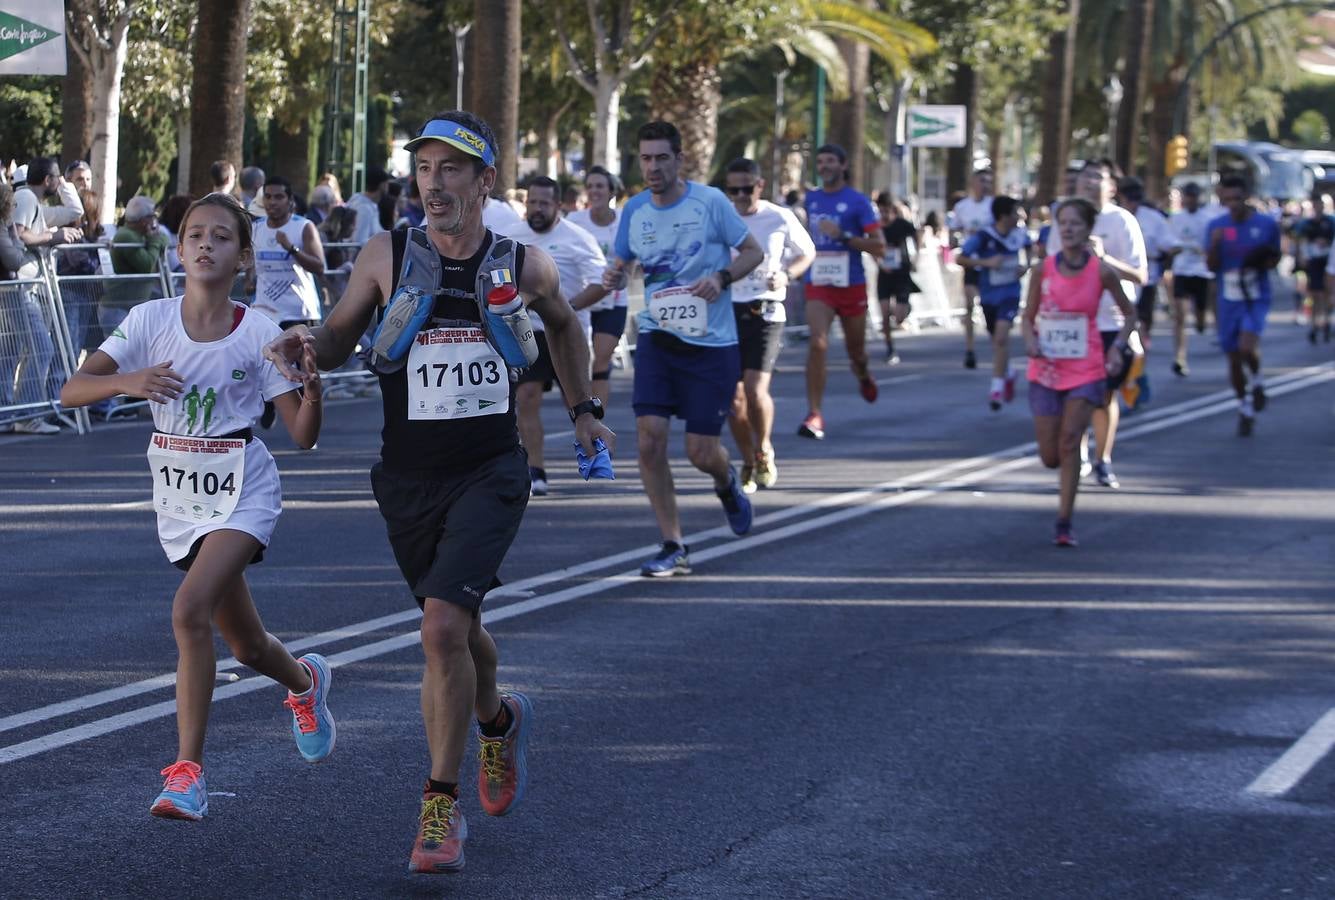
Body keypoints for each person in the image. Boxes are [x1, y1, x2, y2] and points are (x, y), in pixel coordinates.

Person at [263, 110, 613, 874]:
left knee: (441, 631)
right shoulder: (389, 252)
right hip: (408, 476)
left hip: (491, 469)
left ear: (485, 181)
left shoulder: (522, 264)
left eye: (452, 168)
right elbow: (340, 336)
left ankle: (439, 809)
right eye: (425, 168)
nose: (435, 182)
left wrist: (582, 411)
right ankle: (497, 720)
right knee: (451, 624)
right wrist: (301, 342)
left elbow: (565, 329)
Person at [58, 192, 334, 820]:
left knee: (188, 612)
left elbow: (303, 434)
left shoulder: (259, 331)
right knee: (247, 646)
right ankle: (305, 683)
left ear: (241, 257)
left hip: (244, 488)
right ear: (178, 249)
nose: (205, 243)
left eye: (221, 236)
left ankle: (187, 774)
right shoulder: (150, 319)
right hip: (181, 496)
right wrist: (127, 381)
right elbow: (74, 388)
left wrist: (311, 386)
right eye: (193, 234)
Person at [602, 120, 764, 575]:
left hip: (711, 344)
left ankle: (726, 480)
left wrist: (721, 277)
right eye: (645, 158)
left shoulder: (710, 202)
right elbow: (624, 261)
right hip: (657, 337)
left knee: (700, 452)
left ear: (679, 159)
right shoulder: (634, 210)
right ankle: (673, 543)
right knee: (650, 442)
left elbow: (753, 251)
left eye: (661, 158)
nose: (652, 167)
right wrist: (614, 274)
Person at [1022, 198, 1135, 547]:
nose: (1068, 229)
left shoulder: (1101, 271)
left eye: (1075, 223)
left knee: (1071, 440)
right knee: (1050, 455)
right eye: (1063, 223)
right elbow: (1027, 317)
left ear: (1088, 229)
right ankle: (1064, 507)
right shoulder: (1043, 269)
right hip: (1046, 368)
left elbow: (1129, 314)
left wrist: (1117, 346)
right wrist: (1030, 341)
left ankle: (1064, 521)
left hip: (1086, 366)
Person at [504, 174, 609, 495]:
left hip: (566, 331)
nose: (537, 209)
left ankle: (597, 457)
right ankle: (536, 470)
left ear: (558, 205)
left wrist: (564, 309)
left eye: (544, 203)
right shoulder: (510, 237)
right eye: (532, 202)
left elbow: (601, 282)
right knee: (527, 397)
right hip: (529, 332)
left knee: (577, 401)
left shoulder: (578, 237)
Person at [1045, 159, 1146, 489]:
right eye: (1086, 176)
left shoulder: (1123, 221)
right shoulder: (1066, 217)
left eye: (1098, 178)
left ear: (1111, 186)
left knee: (1103, 396)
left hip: (1110, 320)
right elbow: (1049, 269)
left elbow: (1140, 275)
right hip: (1071, 322)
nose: (1090, 183)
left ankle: (1103, 458)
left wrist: (1105, 260)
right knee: (1071, 393)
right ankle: (1080, 451)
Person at [724, 157, 815, 492]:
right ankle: (748, 459)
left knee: (754, 389)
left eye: (747, 188)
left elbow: (807, 252)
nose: (741, 196)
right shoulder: (722, 217)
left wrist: (787, 274)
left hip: (766, 311)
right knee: (733, 400)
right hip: (727, 312)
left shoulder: (779, 216)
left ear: (759, 185)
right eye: (734, 190)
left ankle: (763, 449)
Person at [798, 143, 886, 440]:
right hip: (819, 281)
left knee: (856, 350)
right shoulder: (810, 200)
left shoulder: (858, 202)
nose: (824, 166)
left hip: (851, 283)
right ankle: (814, 414)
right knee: (818, 343)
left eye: (830, 161)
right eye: (820, 161)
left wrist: (845, 236)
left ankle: (862, 373)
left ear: (843, 165)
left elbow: (879, 246)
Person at [11, 159, 83, 434]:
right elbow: (19, 235)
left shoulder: (33, 202)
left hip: (26, 286)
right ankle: (26, 415)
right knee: (41, 347)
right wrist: (54, 237)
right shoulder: (27, 197)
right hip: (23, 287)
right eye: (57, 178)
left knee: (15, 350)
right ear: (46, 179)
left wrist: (63, 183)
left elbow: (74, 210)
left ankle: (11, 410)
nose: (60, 182)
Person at [1206, 173, 1281, 436]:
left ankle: (1258, 381)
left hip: (1255, 294)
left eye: (1237, 198)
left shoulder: (1266, 224)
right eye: (1227, 199)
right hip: (1228, 297)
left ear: (1246, 197)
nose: (1232, 204)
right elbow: (1211, 266)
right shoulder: (1216, 225)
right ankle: (1244, 406)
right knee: (1233, 357)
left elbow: (1275, 259)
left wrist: (1262, 260)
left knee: (1247, 346)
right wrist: (1215, 246)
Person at [252, 175, 326, 429]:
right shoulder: (256, 229)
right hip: (265, 309)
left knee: (304, 372)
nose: (273, 202)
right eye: (268, 197)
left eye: (279, 197)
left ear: (290, 201)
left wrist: (291, 249)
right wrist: (250, 278)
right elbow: (252, 262)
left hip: (298, 308)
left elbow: (319, 266)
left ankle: (308, 421)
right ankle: (269, 402)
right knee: (264, 362)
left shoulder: (302, 227)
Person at [957, 195, 1032, 411]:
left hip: (1010, 293)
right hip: (989, 295)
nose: (1019, 216)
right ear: (1003, 216)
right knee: (995, 340)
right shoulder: (984, 236)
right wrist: (986, 262)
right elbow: (961, 258)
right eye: (1015, 212)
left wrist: (1024, 266)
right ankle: (1008, 372)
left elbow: (1029, 249)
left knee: (1001, 338)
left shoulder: (1020, 234)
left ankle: (996, 388)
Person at [566, 165, 629, 409]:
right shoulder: (575, 221)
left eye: (600, 186)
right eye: (590, 186)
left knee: (601, 360)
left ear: (611, 191)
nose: (594, 191)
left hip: (614, 299)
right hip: (582, 298)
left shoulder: (624, 219)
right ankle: (583, 411)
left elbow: (634, 258)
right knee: (583, 361)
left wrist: (624, 271)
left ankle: (598, 419)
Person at [1115, 177, 1175, 354]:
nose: (1132, 204)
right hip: (1116, 272)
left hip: (1146, 272)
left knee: (1143, 313)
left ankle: (1141, 343)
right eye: (1128, 199)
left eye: (1135, 199)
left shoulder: (1153, 218)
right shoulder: (1113, 216)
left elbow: (1169, 243)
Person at [1164, 183, 1215, 375]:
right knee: (1180, 316)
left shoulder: (1207, 220)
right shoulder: (1175, 219)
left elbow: (1211, 245)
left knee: (1200, 315)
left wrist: (1204, 251)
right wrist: (1175, 249)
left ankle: (1201, 322)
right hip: (1182, 270)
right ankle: (1179, 357)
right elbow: (1168, 243)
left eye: (1194, 196)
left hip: (1202, 271)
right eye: (1188, 196)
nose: (1190, 200)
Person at [949, 169, 996, 369]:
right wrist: (954, 241)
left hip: (990, 262)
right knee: (969, 303)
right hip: (971, 261)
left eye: (988, 181)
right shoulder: (962, 207)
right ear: (973, 183)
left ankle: (996, 344)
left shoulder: (994, 205)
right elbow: (954, 228)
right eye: (981, 181)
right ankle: (970, 349)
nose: (984, 185)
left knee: (989, 307)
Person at [104, 196, 169, 336]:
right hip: (117, 310)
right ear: (143, 219)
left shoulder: (142, 234)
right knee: (119, 357)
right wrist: (154, 240)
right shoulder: (126, 236)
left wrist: (154, 239)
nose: (154, 220)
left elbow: (165, 240)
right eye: (152, 216)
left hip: (131, 310)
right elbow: (146, 265)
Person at [874, 193, 918, 365]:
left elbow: (917, 234)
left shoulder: (902, 225)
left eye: (887, 210)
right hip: (885, 273)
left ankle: (903, 309)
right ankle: (890, 348)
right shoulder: (876, 227)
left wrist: (917, 257)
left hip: (901, 272)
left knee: (899, 317)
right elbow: (871, 246)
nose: (884, 214)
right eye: (881, 210)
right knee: (884, 314)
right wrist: (879, 262)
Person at [1292, 193, 1333, 343]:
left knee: (1326, 294)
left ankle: (1326, 321)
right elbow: (1297, 238)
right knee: (1315, 294)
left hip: (1328, 262)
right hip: (1313, 262)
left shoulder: (1331, 222)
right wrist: (1300, 257)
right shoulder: (1306, 223)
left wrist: (1326, 243)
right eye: (1316, 204)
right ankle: (1316, 324)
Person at [346, 166, 389, 247]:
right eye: (387, 183)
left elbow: (379, 233)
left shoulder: (370, 205)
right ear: (382, 185)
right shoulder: (364, 209)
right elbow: (359, 240)